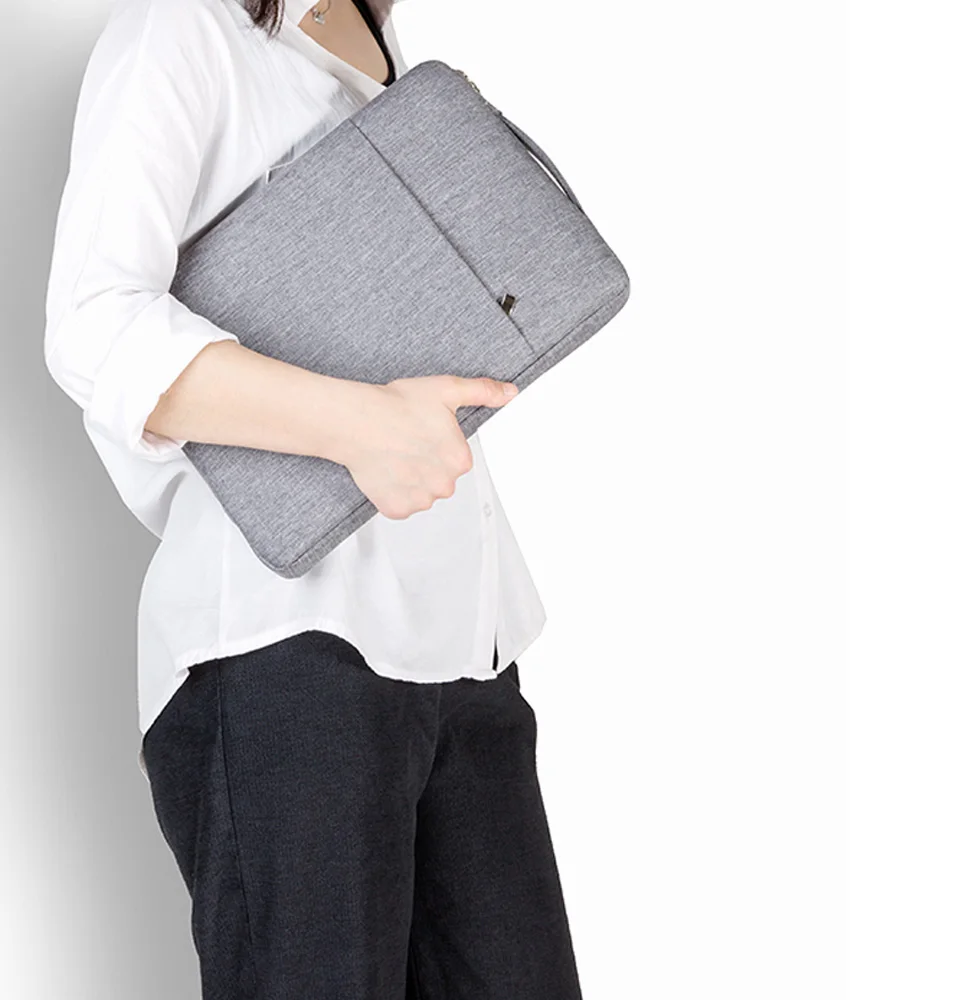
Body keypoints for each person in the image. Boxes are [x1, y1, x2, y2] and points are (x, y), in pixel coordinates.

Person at [43, 0, 584, 996]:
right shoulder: (185, 30)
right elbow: (92, 322)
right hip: (283, 651)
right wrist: (360, 425)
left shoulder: (379, 39)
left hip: (467, 649)